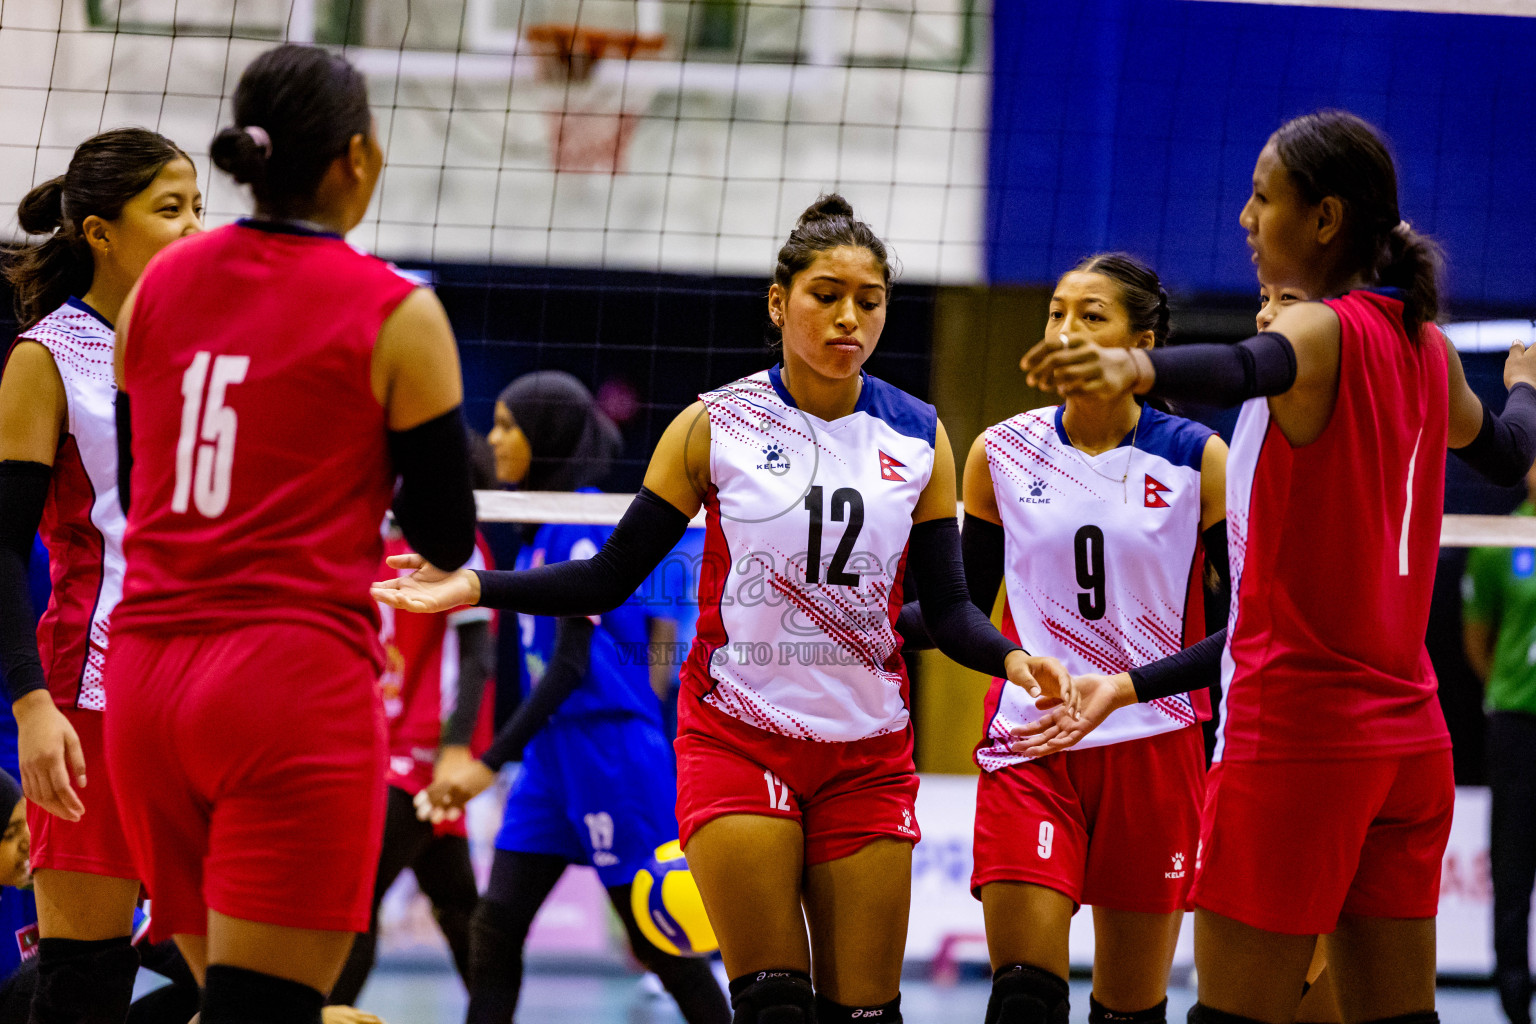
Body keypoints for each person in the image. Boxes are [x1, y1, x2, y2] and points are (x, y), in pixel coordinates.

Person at [377, 194, 1074, 1024]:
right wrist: (475, 583)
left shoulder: (920, 435)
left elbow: (951, 608)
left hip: (869, 753)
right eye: (826, 294)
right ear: (779, 303)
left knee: (865, 1014)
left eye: (871, 300)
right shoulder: (714, 424)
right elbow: (608, 577)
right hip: (739, 740)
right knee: (774, 1007)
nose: (849, 316)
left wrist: (1011, 659)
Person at [1015, 109, 1536, 1024]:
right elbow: (1508, 451)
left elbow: (1245, 362)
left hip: (1300, 737)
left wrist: (1130, 368)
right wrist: (1527, 380)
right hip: (1410, 743)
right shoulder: (1430, 348)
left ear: (1326, 219)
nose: (1247, 220)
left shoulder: (1328, 336)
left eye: (1263, 198)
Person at [101, 43, 477, 1024]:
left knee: (219, 1003)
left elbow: (144, 496)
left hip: (146, 683)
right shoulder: (399, 311)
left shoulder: (154, 291)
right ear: (358, 158)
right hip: (287, 684)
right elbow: (444, 533)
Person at [960, 253, 1225, 1024]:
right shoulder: (999, 452)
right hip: (1033, 739)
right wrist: (854, 625)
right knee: (1024, 1001)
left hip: (1154, 741)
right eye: (1055, 313)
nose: (1065, 330)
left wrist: (1125, 687)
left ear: (1142, 342)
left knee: (1129, 1012)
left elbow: (1247, 629)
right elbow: (963, 609)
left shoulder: (1196, 459)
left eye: (1091, 315)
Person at [420, 370, 730, 1024]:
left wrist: (487, 761)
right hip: (554, 761)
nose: (496, 440)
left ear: (547, 434)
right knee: (495, 925)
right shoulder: (538, 533)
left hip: (611, 753)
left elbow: (567, 666)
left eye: (509, 425)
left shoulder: (583, 526)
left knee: (662, 941)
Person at [0, 127, 202, 1024]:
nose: (195, 227)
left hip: (210, 692)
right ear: (99, 233)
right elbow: (6, 549)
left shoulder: (213, 351)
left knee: (252, 970)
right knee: (83, 987)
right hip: (94, 698)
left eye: (200, 206)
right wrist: (31, 706)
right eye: (170, 209)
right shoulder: (48, 359)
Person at [325, 515, 496, 1008]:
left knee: (355, 896)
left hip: (423, 753)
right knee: (461, 909)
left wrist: (455, 748)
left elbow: (476, 655)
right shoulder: (366, 539)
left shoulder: (456, 543)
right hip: (377, 746)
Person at [1462, 461, 1536, 1024]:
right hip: (1517, 724)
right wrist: (1509, 691)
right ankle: (1514, 998)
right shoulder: (1498, 540)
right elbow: (1477, 638)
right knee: (1512, 865)